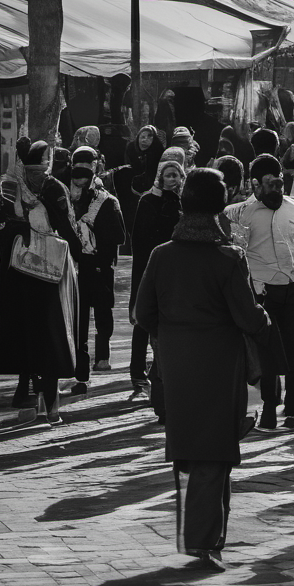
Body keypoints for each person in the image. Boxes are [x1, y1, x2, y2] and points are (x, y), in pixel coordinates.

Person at [134, 168, 270, 572]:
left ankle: (204, 534)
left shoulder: (162, 255)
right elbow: (248, 318)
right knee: (214, 451)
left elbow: (143, 313)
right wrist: (263, 314)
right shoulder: (229, 258)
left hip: (176, 362)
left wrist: (169, 337)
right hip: (219, 363)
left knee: (190, 446)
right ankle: (202, 538)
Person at [0, 141, 82, 424]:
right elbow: (68, 228)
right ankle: (49, 407)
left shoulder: (9, 188)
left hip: (17, 274)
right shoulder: (53, 188)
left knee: (22, 336)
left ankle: (13, 400)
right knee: (51, 337)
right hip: (50, 274)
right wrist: (79, 254)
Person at [223, 154, 294, 431]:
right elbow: (236, 257)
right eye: (270, 185)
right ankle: (269, 408)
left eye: (279, 184)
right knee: (269, 354)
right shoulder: (239, 214)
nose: (277, 190)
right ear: (255, 185)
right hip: (264, 291)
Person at [66, 153, 126, 394]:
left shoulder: (105, 200)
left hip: (97, 265)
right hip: (78, 266)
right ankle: (82, 369)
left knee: (99, 312)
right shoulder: (64, 198)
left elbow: (119, 236)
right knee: (80, 315)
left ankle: (101, 357)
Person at [128, 160, 185, 405]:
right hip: (149, 266)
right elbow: (139, 238)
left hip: (174, 269)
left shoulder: (183, 202)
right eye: (168, 175)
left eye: (176, 175)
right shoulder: (147, 200)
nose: (172, 179)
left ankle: (161, 371)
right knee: (143, 318)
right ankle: (137, 371)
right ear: (160, 177)